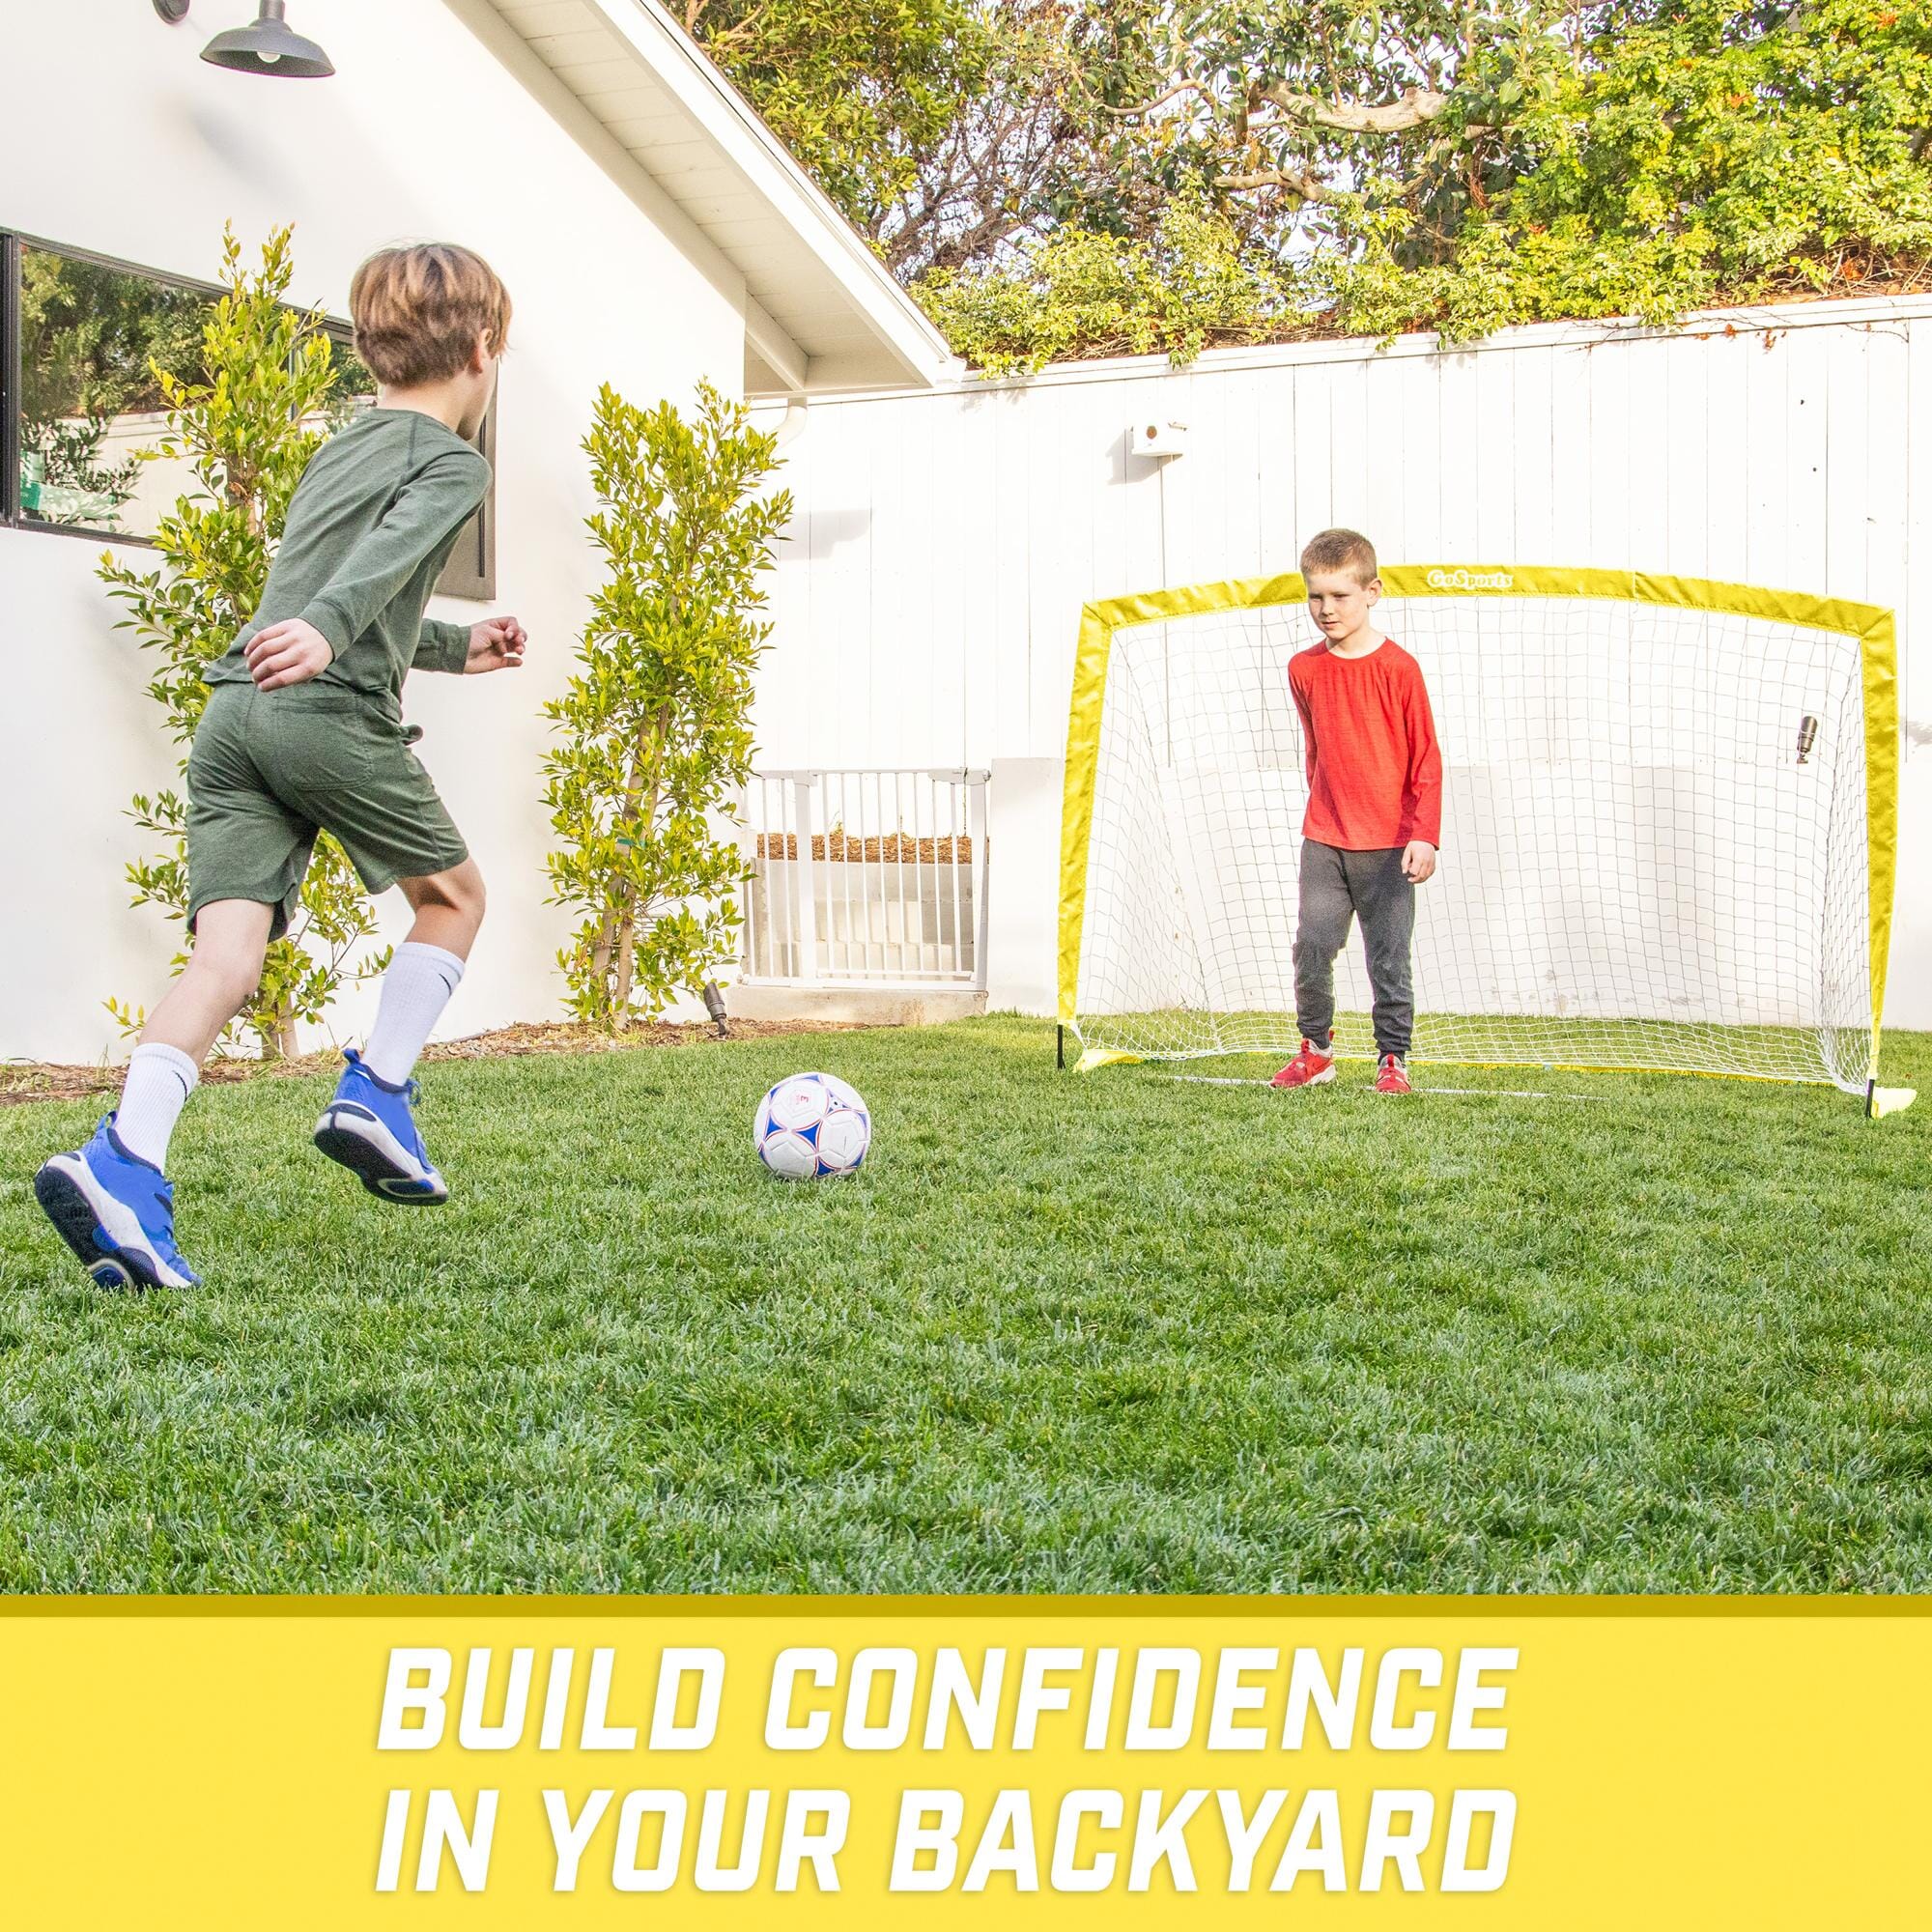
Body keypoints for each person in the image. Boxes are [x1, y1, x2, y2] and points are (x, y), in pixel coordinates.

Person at [35, 242, 526, 1289]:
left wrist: (449, 645)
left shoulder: (343, 445)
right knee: (455, 898)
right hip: (319, 713)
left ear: (371, 353)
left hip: (233, 719)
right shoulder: (454, 462)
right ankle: (378, 1091)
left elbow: (342, 584)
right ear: (484, 349)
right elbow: (367, 577)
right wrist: (329, 629)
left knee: (225, 963)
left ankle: (121, 1160)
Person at [1272, 527, 1441, 1096]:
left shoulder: (1400, 669)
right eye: (1316, 596)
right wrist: (1325, 810)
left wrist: (1425, 835)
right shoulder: (1303, 669)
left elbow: (1426, 759)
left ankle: (1392, 1059)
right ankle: (1316, 1050)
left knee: (1389, 957)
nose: (1326, 609)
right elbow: (1316, 750)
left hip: (1390, 844)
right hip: (1325, 840)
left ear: (1373, 592)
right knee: (1313, 944)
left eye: (1340, 596)